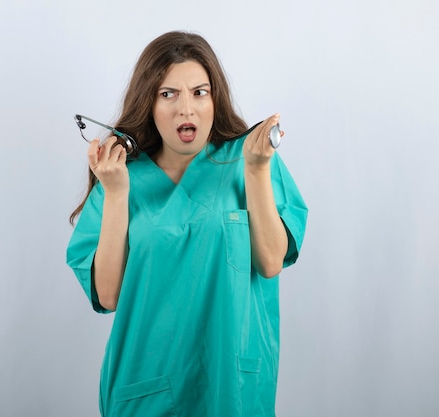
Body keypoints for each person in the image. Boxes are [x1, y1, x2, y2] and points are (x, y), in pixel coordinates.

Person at [66, 31, 308, 417]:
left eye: (199, 92)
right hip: (145, 382)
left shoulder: (249, 158)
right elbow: (108, 296)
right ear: (149, 102)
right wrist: (114, 193)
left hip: (229, 383)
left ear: (215, 98)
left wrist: (258, 168)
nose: (186, 109)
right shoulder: (123, 177)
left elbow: (271, 262)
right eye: (168, 94)